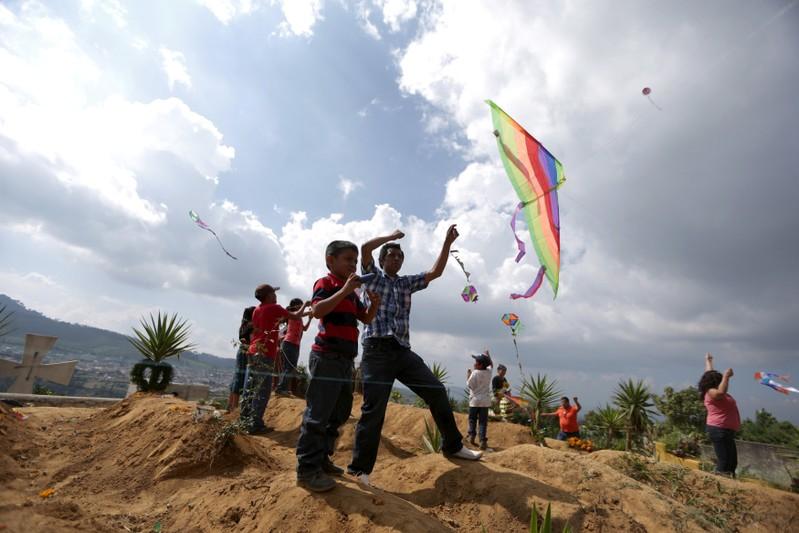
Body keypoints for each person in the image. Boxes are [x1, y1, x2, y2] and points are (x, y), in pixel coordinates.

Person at [348, 225, 483, 487]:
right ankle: (359, 470)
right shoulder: (372, 277)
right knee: (373, 410)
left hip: (401, 350)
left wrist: (446, 242)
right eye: (392, 255)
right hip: (376, 350)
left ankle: (453, 446)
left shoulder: (407, 283)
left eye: (400, 256)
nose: (397, 259)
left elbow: (436, 272)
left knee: (436, 391)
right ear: (382, 259)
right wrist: (390, 237)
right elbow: (364, 249)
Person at [295, 241, 381, 493]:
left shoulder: (351, 294)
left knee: (339, 412)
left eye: (355, 261)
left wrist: (373, 304)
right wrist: (344, 290)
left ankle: (322, 458)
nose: (353, 265)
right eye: (348, 259)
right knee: (317, 415)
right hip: (326, 358)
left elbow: (365, 319)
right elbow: (318, 310)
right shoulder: (326, 284)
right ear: (330, 261)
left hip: (345, 361)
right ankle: (307, 470)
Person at [240, 284, 310, 435]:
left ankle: (244, 420)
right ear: (269, 295)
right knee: (263, 390)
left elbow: (289, 316)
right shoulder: (274, 308)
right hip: (265, 353)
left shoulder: (258, 309)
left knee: (250, 387)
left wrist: (305, 312)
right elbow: (296, 316)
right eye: (274, 292)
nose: (276, 295)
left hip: (253, 350)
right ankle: (255, 425)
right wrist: (306, 304)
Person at [699, 352, 740, 477]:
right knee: (724, 461)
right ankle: (720, 484)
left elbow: (709, 374)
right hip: (719, 430)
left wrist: (709, 361)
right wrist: (726, 377)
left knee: (732, 461)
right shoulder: (712, 392)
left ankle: (729, 482)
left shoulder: (710, 388)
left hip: (725, 430)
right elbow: (721, 393)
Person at [275, 298, 312, 396]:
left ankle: (283, 388)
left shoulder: (298, 317)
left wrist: (310, 318)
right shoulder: (292, 315)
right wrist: (305, 306)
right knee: (289, 367)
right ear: (295, 306)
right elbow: (301, 313)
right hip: (289, 343)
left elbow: (305, 329)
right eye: (299, 305)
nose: (301, 306)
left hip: (295, 344)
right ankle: (281, 388)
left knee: (290, 367)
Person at [228, 306, 255, 412]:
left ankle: (231, 406)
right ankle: (234, 407)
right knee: (240, 378)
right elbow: (246, 341)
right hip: (245, 352)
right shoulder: (250, 325)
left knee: (237, 377)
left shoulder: (244, 325)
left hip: (242, 351)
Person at [466, 352, 493, 450]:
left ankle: (471, 436)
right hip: (485, 402)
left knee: (472, 419)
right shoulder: (489, 372)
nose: (474, 364)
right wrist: (488, 356)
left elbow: (470, 385)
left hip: (475, 401)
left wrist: (468, 375)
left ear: (480, 365)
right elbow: (491, 365)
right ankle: (482, 441)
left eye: (476, 362)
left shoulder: (475, 373)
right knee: (483, 422)